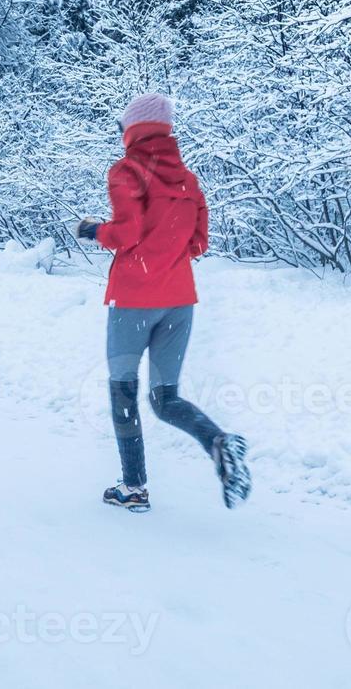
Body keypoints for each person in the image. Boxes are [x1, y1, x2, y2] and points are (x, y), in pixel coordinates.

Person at [77, 93, 250, 513]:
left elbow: (126, 232)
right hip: (179, 302)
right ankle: (219, 443)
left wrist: (94, 230)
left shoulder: (127, 171)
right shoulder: (189, 181)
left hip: (134, 300)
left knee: (123, 391)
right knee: (164, 397)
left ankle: (133, 487)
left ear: (132, 130)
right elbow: (199, 243)